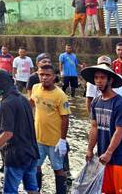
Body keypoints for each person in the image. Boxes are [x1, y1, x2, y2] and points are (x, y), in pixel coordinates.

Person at [0, 69, 39, 194]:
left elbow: (8, 133)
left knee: (10, 190)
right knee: (32, 189)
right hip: (32, 152)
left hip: (16, 155)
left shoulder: (7, 103)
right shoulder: (23, 99)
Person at [83, 63, 122, 194]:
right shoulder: (96, 102)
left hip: (120, 157)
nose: (98, 81)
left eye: (102, 78)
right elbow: (94, 127)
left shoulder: (121, 104)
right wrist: (90, 149)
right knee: (107, 190)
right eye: (96, 78)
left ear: (110, 80)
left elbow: (120, 130)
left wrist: (109, 152)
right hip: (103, 157)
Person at [30, 64, 70, 194]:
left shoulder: (60, 95)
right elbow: (31, 104)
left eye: (48, 75)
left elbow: (65, 118)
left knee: (58, 169)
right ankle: (36, 191)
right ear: (38, 74)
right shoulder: (35, 88)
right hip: (38, 138)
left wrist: (62, 140)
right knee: (36, 166)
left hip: (55, 141)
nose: (44, 78)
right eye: (41, 74)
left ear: (54, 77)